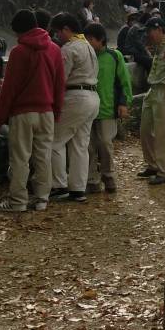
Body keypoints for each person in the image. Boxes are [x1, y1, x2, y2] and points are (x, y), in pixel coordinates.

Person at [0, 9, 65, 213]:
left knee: (20, 158)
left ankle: (18, 201)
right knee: (43, 156)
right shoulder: (54, 50)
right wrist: (57, 111)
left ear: (20, 31)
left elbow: (9, 89)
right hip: (47, 112)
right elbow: (60, 85)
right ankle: (42, 199)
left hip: (23, 113)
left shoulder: (18, 51)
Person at [48, 12, 100, 203]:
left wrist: (55, 102)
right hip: (93, 96)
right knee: (80, 144)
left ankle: (59, 185)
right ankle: (78, 188)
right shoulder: (88, 46)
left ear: (67, 30)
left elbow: (60, 79)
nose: (57, 36)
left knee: (56, 140)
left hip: (76, 96)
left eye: (58, 32)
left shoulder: (69, 49)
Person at [84, 23, 132, 194]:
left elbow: (123, 82)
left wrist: (124, 103)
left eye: (90, 39)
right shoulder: (85, 56)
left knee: (105, 143)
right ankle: (91, 180)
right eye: (86, 39)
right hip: (87, 109)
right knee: (88, 146)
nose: (88, 43)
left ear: (101, 39)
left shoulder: (114, 55)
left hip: (107, 108)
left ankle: (108, 176)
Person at [139, 17, 165, 185]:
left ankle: (164, 171)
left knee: (163, 134)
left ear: (158, 29)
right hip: (153, 90)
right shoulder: (159, 47)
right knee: (145, 130)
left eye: (150, 31)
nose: (149, 35)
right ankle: (152, 164)